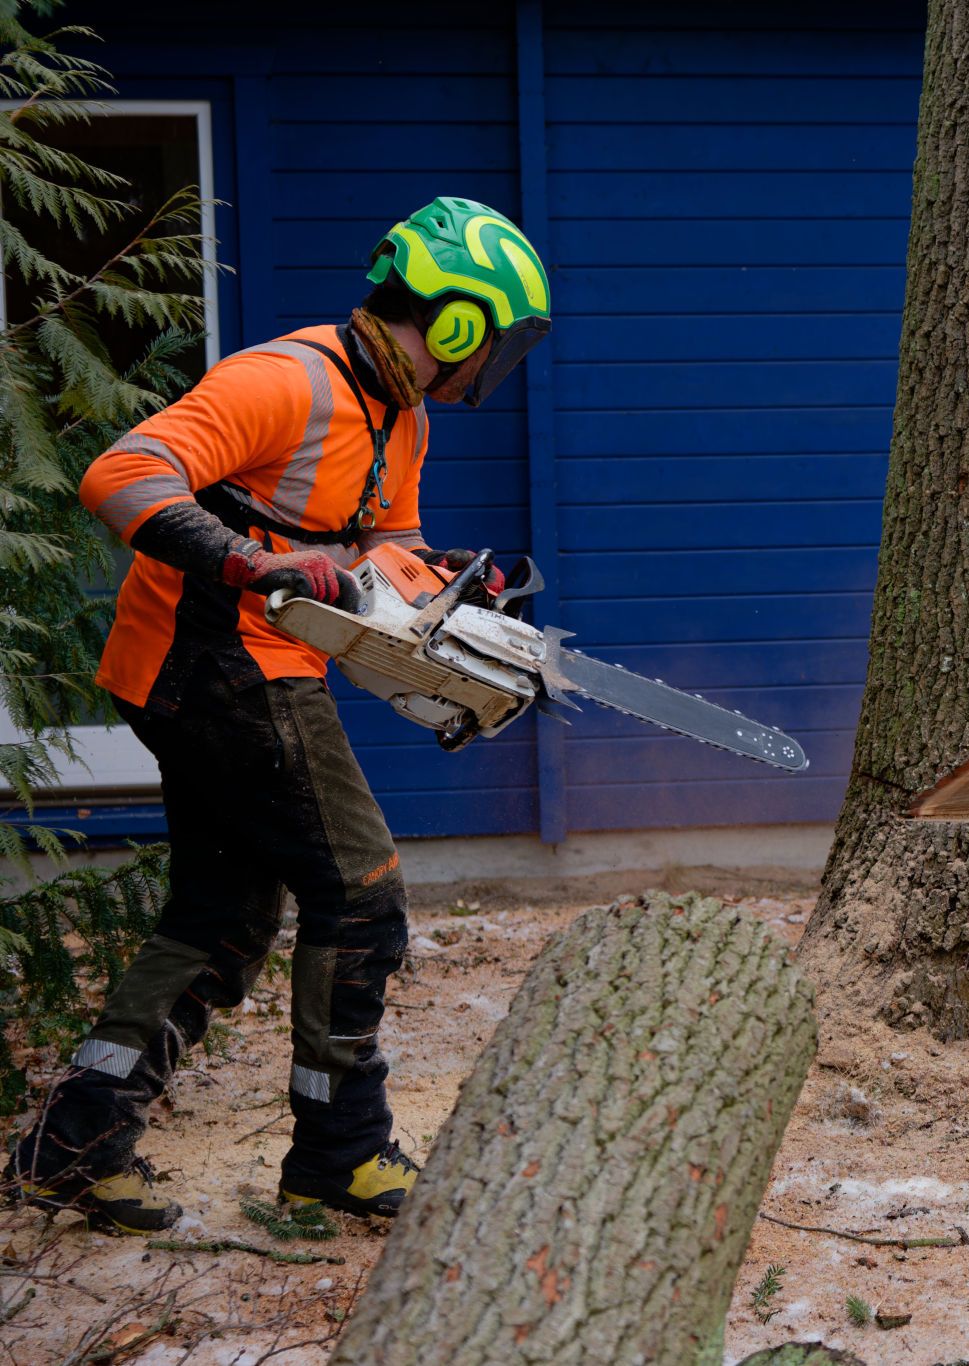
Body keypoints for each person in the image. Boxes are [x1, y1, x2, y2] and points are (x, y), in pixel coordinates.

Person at [6, 197, 551, 1235]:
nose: (490, 367)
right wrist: (250, 562)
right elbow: (119, 475)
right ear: (456, 324)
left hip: (250, 664)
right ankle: (338, 1155)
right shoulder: (283, 380)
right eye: (493, 343)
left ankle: (73, 1147)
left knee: (221, 919)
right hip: (214, 663)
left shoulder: (406, 413)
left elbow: (379, 537)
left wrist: (431, 578)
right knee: (361, 893)